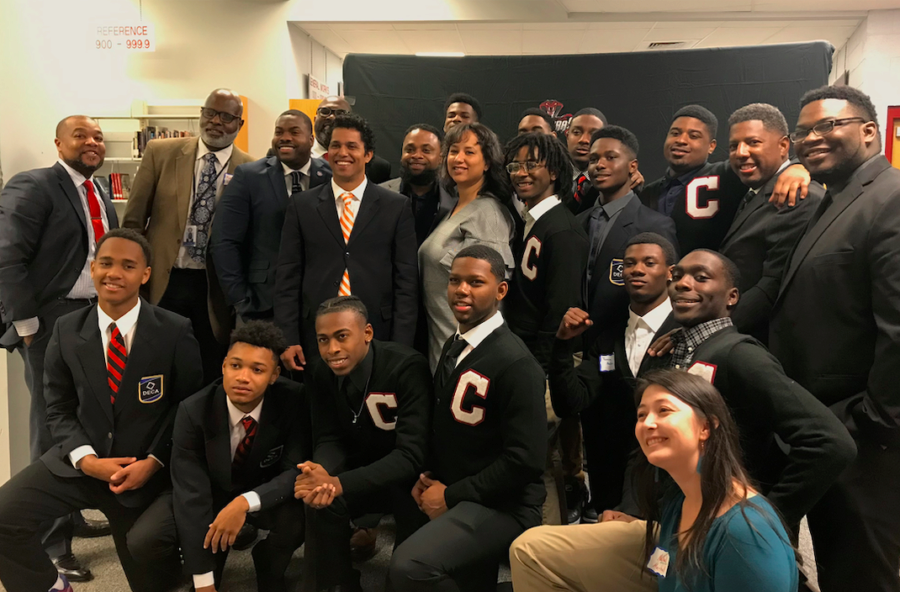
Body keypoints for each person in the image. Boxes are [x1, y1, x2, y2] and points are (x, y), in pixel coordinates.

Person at [0, 228, 204, 592]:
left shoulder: (174, 331)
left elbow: (187, 409)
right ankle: (52, 586)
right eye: (106, 263)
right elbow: (57, 407)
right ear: (92, 269)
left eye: (128, 266)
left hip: (141, 472)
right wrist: (85, 458)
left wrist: (154, 461)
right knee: (4, 516)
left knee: (153, 576)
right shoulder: (65, 330)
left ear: (145, 274)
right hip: (80, 464)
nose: (114, 273)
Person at [770, 85, 900, 592]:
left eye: (828, 126)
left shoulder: (890, 200)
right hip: (825, 428)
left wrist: (873, 422)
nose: (812, 138)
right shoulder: (835, 199)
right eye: (803, 131)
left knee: (861, 575)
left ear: (869, 131)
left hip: (864, 439)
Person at [510, 370, 801, 592]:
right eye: (641, 414)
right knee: (530, 549)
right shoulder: (681, 499)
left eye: (664, 410)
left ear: (706, 427)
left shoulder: (745, 535)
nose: (648, 423)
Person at [642, 249, 855, 529]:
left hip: (729, 528)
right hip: (682, 515)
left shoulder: (740, 356)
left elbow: (830, 442)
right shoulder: (674, 350)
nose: (681, 283)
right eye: (677, 276)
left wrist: (768, 520)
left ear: (732, 297)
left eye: (701, 277)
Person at [0, 115, 119, 579]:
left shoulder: (98, 191)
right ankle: (50, 543)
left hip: (89, 318)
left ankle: (67, 518)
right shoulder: (34, 186)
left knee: (81, 419)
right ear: (58, 142)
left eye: (97, 138)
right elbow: (7, 256)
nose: (91, 143)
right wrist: (27, 324)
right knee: (51, 427)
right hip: (48, 322)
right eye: (81, 136)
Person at [390, 245, 546, 592]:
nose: (461, 290)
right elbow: (446, 426)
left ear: (501, 290)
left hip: (505, 505)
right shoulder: (456, 344)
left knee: (409, 567)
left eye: (476, 282)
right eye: (454, 281)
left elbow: (526, 460)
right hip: (460, 488)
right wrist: (429, 475)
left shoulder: (518, 365)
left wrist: (452, 495)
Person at [295, 296, 432, 592]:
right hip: (358, 470)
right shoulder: (321, 372)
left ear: (367, 333)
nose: (332, 350)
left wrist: (339, 482)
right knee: (320, 498)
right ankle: (338, 584)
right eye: (323, 340)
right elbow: (328, 437)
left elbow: (411, 456)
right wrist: (321, 474)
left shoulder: (407, 367)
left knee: (402, 577)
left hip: (409, 481)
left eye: (342, 336)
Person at [123, 88, 254, 384]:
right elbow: (133, 221)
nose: (215, 122)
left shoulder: (251, 169)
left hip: (214, 288)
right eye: (209, 113)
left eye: (226, 116)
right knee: (155, 366)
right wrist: (134, 277)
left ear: (239, 124)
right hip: (163, 280)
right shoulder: (161, 152)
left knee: (208, 368)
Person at [169, 321, 308, 592]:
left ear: (274, 375)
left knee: (297, 520)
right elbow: (191, 494)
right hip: (209, 493)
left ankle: (268, 569)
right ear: (223, 367)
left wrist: (244, 503)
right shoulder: (193, 410)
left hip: (260, 489)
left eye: (257, 369)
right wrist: (204, 583)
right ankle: (194, 572)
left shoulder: (293, 400)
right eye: (235, 366)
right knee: (149, 538)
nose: (243, 377)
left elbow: (294, 469)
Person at [275, 113, 418, 372]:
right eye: (335, 145)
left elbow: (406, 283)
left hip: (378, 334)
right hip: (315, 337)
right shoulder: (302, 206)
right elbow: (287, 276)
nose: (343, 152)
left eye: (352, 146)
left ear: (368, 154)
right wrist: (288, 338)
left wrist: (401, 346)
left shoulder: (395, 207)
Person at [548, 233, 678, 513]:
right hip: (610, 485)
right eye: (629, 264)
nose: (637, 269)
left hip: (669, 488)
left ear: (670, 273)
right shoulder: (608, 337)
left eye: (649, 262)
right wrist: (562, 346)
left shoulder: (686, 330)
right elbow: (571, 401)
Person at [503, 132, 588, 526]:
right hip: (526, 356)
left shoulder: (562, 229)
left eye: (530, 164)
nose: (521, 173)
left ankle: (548, 544)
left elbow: (560, 310)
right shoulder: (530, 219)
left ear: (553, 171)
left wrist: (536, 370)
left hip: (545, 364)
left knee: (539, 456)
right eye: (515, 165)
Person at [211, 110, 332, 323]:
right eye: (279, 132)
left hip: (318, 304)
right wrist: (239, 298)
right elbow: (224, 241)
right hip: (260, 303)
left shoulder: (330, 177)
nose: (285, 137)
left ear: (311, 140)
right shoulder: (248, 177)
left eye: (294, 132)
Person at [639, 104, 811, 254]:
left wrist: (797, 166)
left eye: (694, 136)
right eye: (675, 133)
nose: (681, 140)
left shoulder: (726, 173)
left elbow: (767, 163)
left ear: (711, 146)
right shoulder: (648, 192)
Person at [719, 103, 822, 343]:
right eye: (734, 146)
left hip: (764, 341)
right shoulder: (756, 190)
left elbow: (774, 285)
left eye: (753, 142)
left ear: (784, 145)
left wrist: (714, 329)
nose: (741, 152)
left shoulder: (796, 195)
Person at [418, 122, 515, 370]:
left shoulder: (488, 215)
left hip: (466, 356)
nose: (458, 158)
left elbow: (489, 297)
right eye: (453, 150)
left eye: (469, 152)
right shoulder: (455, 208)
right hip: (442, 346)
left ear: (487, 162)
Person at [580, 125, 678, 346]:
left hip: (628, 342)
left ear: (632, 166)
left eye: (611, 157)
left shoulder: (656, 225)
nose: (600, 165)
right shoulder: (577, 222)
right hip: (574, 343)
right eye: (593, 159)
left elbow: (671, 290)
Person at [380, 123, 454, 246]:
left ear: (441, 158)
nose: (417, 156)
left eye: (426, 150)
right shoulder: (379, 194)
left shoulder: (455, 199)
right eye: (410, 150)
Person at [312, 96, 392, 183]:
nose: (331, 117)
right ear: (315, 119)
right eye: (325, 111)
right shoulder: (299, 159)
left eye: (340, 113)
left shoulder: (377, 167)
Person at [566, 108, 607, 214]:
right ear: (567, 136)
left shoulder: (614, 184)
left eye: (593, 134)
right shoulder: (549, 179)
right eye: (576, 132)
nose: (584, 140)